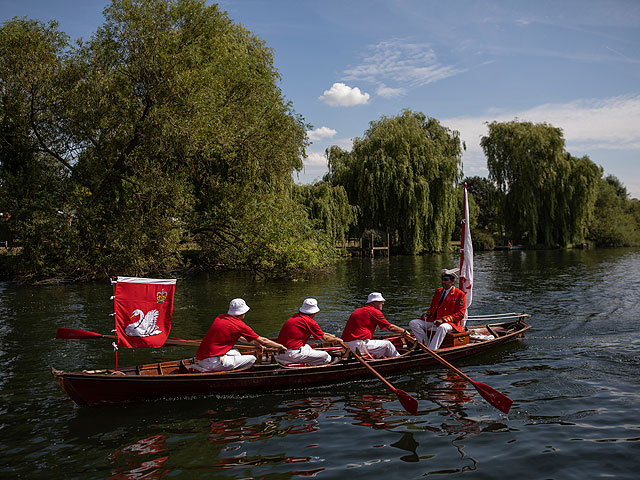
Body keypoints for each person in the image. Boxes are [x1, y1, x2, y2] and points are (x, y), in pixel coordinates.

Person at [194, 298, 286, 372]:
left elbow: (239, 337)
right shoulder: (239, 325)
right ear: (242, 313)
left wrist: (256, 344)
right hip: (213, 362)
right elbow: (264, 341)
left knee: (236, 352)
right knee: (252, 359)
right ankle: (236, 375)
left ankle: (230, 369)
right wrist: (280, 346)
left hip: (202, 359)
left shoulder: (220, 317)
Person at [275, 298, 347, 366]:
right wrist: (338, 340)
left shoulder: (295, 317)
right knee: (326, 356)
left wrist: (332, 337)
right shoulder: (310, 322)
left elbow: (321, 333)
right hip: (291, 354)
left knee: (307, 347)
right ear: (314, 313)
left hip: (280, 352)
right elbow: (325, 339)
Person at [409, 268, 466, 350]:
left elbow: (460, 314)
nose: (443, 282)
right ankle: (425, 345)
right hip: (435, 320)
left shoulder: (459, 294)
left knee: (442, 327)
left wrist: (443, 320)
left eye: (446, 280)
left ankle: (432, 350)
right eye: (442, 280)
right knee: (413, 323)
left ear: (452, 281)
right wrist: (427, 314)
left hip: (450, 323)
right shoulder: (438, 291)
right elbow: (433, 307)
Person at [341, 292, 406, 358]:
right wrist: (404, 331)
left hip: (345, 346)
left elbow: (381, 327)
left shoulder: (360, 310)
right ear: (374, 302)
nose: (383, 303)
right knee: (387, 344)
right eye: (381, 301)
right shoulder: (374, 311)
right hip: (358, 345)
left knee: (381, 345)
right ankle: (400, 359)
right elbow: (390, 327)